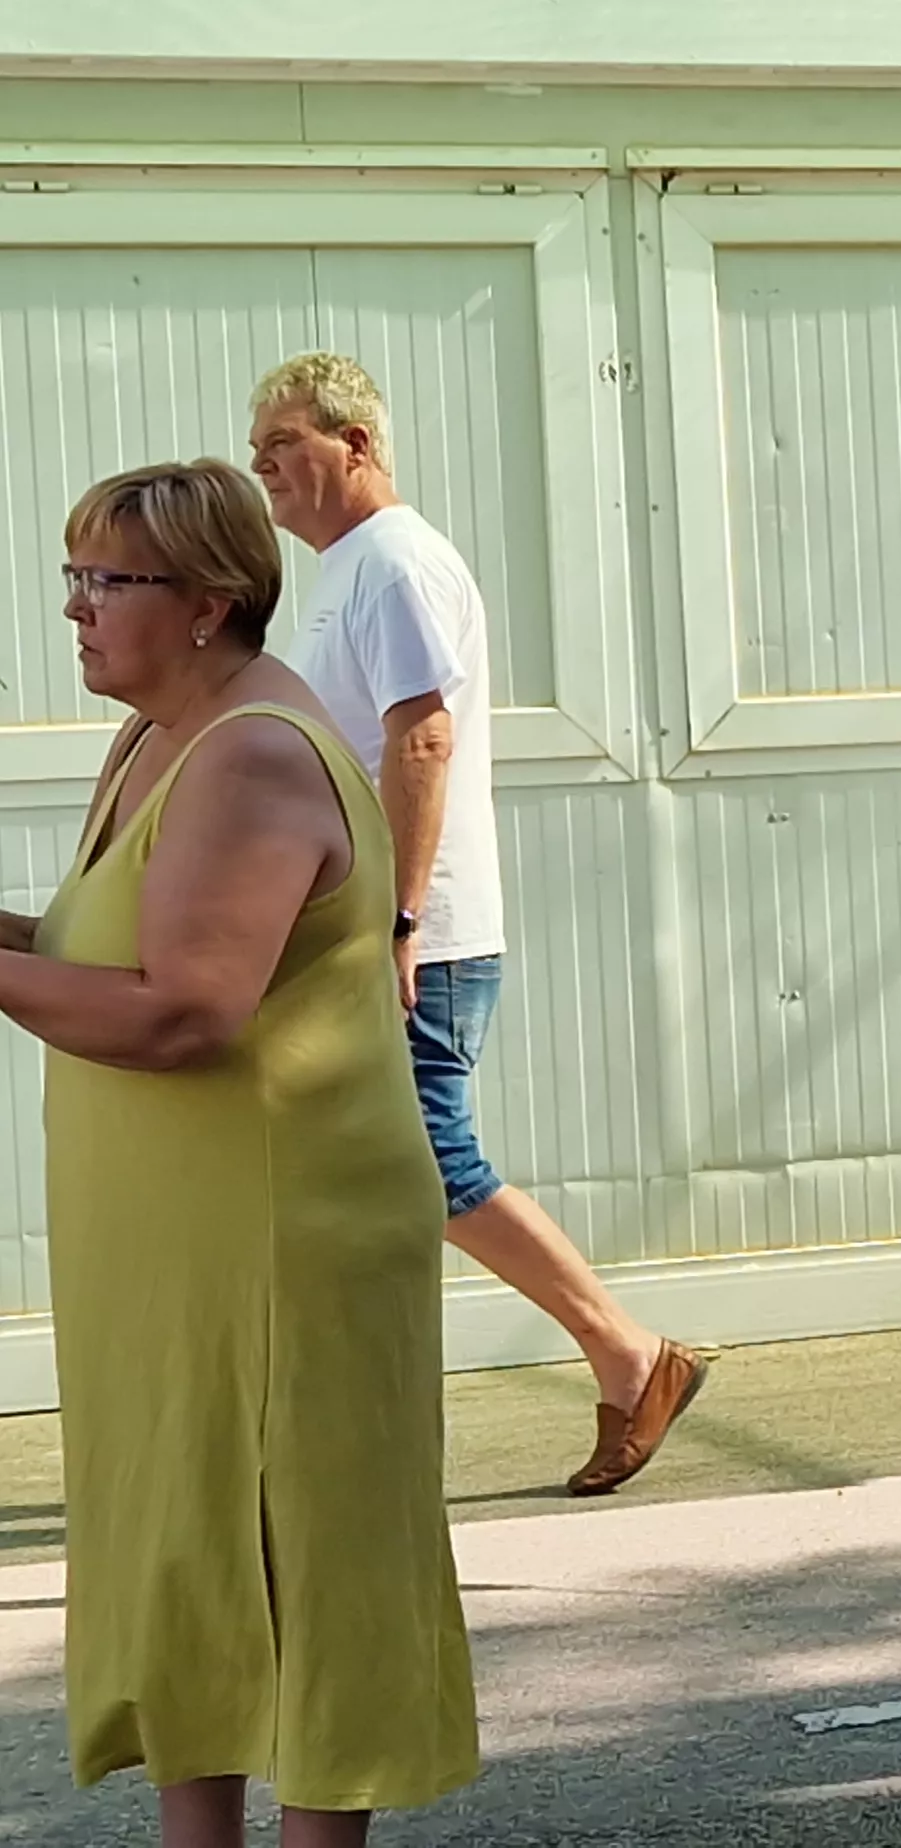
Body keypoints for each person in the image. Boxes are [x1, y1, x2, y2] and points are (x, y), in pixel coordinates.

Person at [6, 461, 476, 1845]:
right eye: (74, 578)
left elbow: (184, 1009)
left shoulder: (253, 751)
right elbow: (105, 949)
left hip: (282, 1239)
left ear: (211, 603)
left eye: (110, 583)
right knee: (182, 1548)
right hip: (176, 1241)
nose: (78, 612)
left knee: (298, 1563)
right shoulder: (161, 729)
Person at [245, 351, 710, 1496]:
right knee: (371, 1164)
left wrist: (398, 918)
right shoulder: (350, 572)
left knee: (432, 1163)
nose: (263, 472)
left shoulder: (395, 565)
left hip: (420, 930)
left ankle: (628, 1352)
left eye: (282, 446)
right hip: (374, 922)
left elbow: (422, 739)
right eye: (257, 452)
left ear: (355, 445)